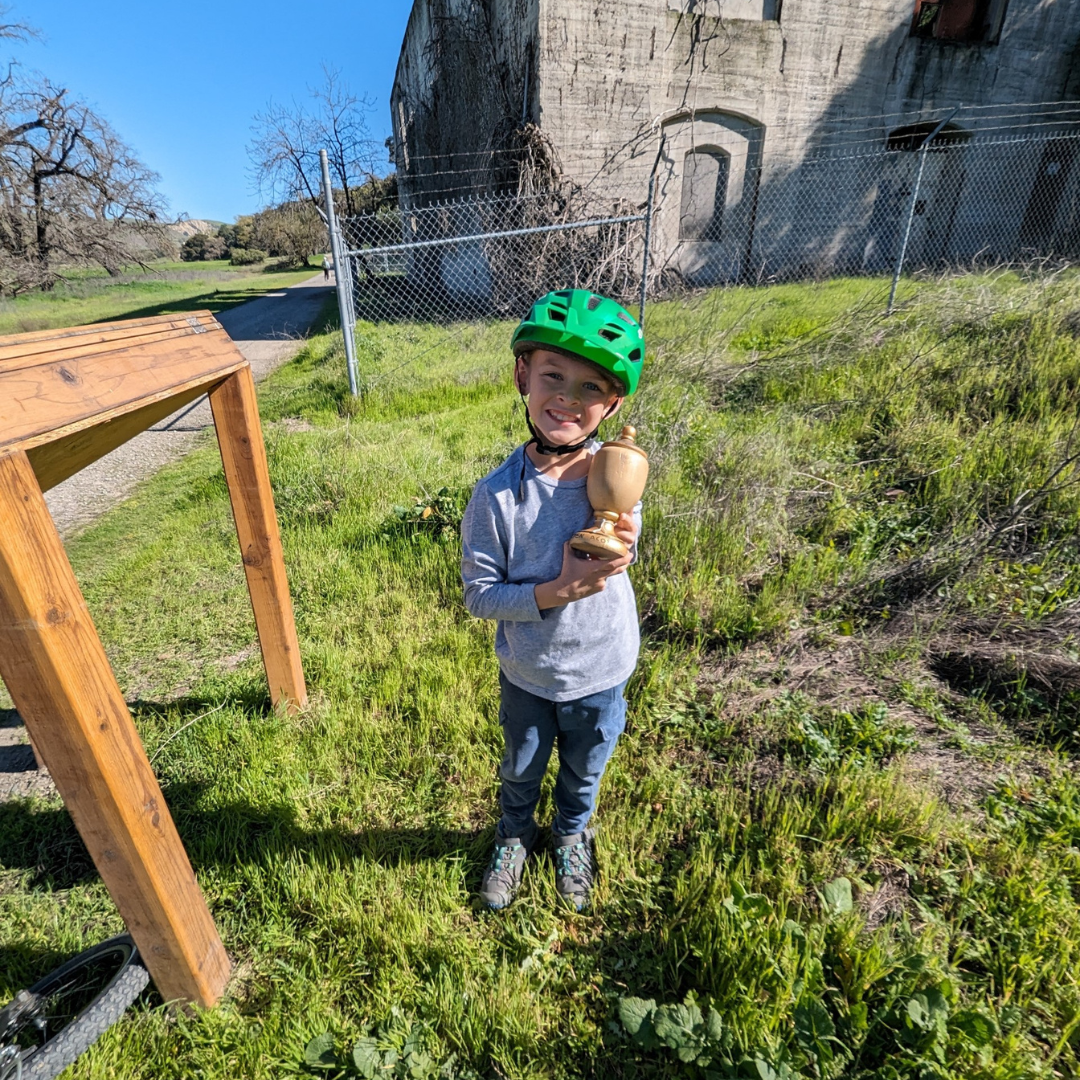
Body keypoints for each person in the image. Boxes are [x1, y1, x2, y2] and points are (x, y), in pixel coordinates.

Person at [460, 289, 646, 911]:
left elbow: (623, 545)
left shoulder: (617, 474)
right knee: (521, 766)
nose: (568, 397)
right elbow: (480, 597)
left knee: (583, 770)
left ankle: (570, 832)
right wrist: (555, 591)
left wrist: (624, 543)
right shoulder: (496, 497)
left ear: (613, 403)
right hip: (530, 673)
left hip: (600, 668)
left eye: (592, 387)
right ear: (522, 375)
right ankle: (514, 833)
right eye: (553, 376)